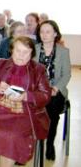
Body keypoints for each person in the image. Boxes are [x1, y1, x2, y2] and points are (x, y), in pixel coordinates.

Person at [0, 36, 52, 167]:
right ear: (11, 51)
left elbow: (45, 95)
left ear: (32, 54)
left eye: (25, 52)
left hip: (24, 111)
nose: (21, 55)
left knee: (12, 135)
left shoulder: (38, 69)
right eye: (18, 51)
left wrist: (27, 96)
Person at [35, 20, 71, 161]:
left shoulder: (63, 51)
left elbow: (67, 74)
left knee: (52, 110)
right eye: (42, 31)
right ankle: (30, 143)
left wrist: (55, 88)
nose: (44, 35)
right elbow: (29, 70)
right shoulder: (34, 49)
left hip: (55, 90)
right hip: (37, 89)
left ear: (55, 33)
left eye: (48, 31)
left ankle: (49, 144)